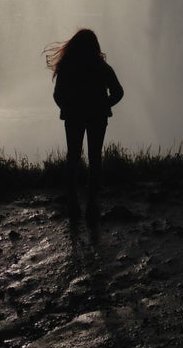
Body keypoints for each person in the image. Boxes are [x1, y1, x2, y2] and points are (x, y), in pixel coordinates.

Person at [44, 28, 123, 221]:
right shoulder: (102, 67)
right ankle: (92, 201)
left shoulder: (67, 67)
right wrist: (105, 104)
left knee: (73, 155)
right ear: (95, 46)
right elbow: (118, 92)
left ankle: (73, 200)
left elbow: (57, 94)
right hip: (97, 117)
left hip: (74, 117)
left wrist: (66, 108)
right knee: (95, 157)